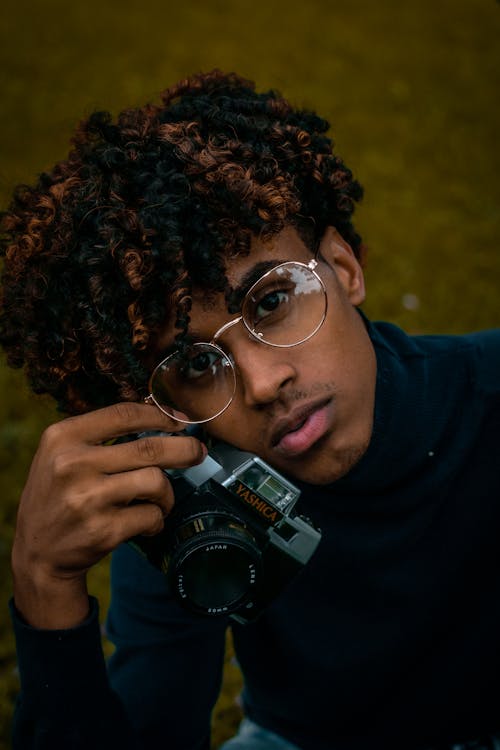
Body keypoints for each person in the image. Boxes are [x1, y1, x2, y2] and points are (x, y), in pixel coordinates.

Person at [1, 69, 499, 750]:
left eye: (270, 300)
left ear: (344, 267)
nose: (263, 383)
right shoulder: (189, 501)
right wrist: (44, 586)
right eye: (198, 364)